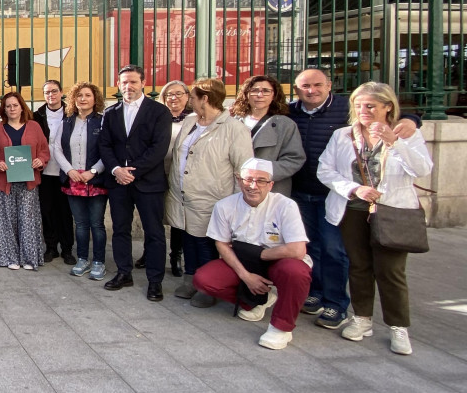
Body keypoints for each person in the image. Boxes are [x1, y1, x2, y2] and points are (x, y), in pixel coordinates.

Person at [288, 68, 419, 328]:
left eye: (317, 85)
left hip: (337, 195)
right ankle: (315, 293)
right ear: (296, 89)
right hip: (301, 192)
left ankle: (336, 303)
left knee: (334, 250)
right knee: (308, 247)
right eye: (304, 86)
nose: (310, 91)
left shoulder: (345, 108)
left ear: (329, 85)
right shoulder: (291, 111)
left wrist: (413, 119)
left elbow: (384, 114)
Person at [318, 82, 432, 356]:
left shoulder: (406, 134)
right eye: (358, 105)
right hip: (352, 210)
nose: (363, 111)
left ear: (387, 106)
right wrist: (354, 188)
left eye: (370, 106)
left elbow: (422, 169)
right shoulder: (344, 135)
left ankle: (398, 326)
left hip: (392, 212)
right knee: (358, 266)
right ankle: (362, 318)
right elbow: (326, 170)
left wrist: (395, 142)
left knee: (390, 271)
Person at [194, 158, 312, 350]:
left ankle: (281, 327)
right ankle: (257, 300)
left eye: (261, 181)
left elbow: (297, 250)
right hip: (242, 259)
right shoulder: (225, 206)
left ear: (270, 184)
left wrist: (262, 255)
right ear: (239, 180)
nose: (253, 186)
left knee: (296, 273)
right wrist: (246, 276)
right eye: (248, 180)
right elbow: (222, 244)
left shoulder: (285, 205)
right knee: (204, 279)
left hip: (278, 259)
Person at [166, 78, 253, 307]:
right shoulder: (190, 122)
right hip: (182, 194)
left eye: (192, 97)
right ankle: (191, 279)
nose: (189, 101)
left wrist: (238, 203)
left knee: (205, 242)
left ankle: (207, 286)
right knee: (188, 237)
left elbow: (242, 168)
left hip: (212, 197)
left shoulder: (234, 129)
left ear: (205, 98)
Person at [98, 64, 172, 301]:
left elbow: (159, 148)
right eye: (124, 82)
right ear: (118, 85)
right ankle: (124, 272)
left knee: (154, 233)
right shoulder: (111, 113)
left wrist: (134, 171)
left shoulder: (159, 112)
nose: (128, 86)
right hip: (118, 182)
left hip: (148, 182)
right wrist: (116, 169)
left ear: (143, 83)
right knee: (120, 229)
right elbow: (105, 145)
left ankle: (155, 281)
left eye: (133, 82)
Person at [0, 92, 50, 271]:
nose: (12, 108)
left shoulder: (34, 126)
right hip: (5, 182)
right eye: (8, 106)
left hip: (28, 181)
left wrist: (39, 161)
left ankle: (29, 258)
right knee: (7, 220)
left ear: (22, 106)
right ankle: (9, 258)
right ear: (3, 109)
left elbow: (44, 150)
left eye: (15, 105)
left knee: (28, 220)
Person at [51, 82, 109, 280]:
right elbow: (57, 148)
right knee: (81, 224)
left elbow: (108, 150)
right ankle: (83, 259)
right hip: (73, 179)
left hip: (95, 180)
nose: (83, 99)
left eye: (87, 95)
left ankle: (99, 262)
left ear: (95, 99)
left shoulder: (102, 122)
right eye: (79, 96)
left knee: (97, 223)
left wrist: (93, 171)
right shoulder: (66, 123)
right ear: (73, 99)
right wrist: (69, 170)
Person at [135, 80, 190, 277]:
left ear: (187, 96)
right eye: (169, 94)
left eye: (178, 94)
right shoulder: (156, 115)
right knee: (153, 218)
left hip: (180, 175)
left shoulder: (192, 120)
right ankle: (149, 253)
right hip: (154, 172)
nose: (173, 98)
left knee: (177, 218)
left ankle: (176, 256)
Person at [230, 76, 305, 196]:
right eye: (254, 90)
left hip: (271, 189)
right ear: (246, 94)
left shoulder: (285, 125)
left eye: (266, 91)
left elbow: (294, 160)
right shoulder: (234, 121)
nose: (260, 95)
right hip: (237, 188)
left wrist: (263, 171)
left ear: (274, 95)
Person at [32, 80, 74, 263]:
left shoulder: (71, 113)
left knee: (65, 211)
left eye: (54, 91)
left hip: (67, 171)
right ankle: (50, 247)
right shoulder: (36, 116)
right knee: (47, 211)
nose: (51, 95)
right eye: (47, 92)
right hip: (44, 171)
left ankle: (67, 249)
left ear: (61, 92)